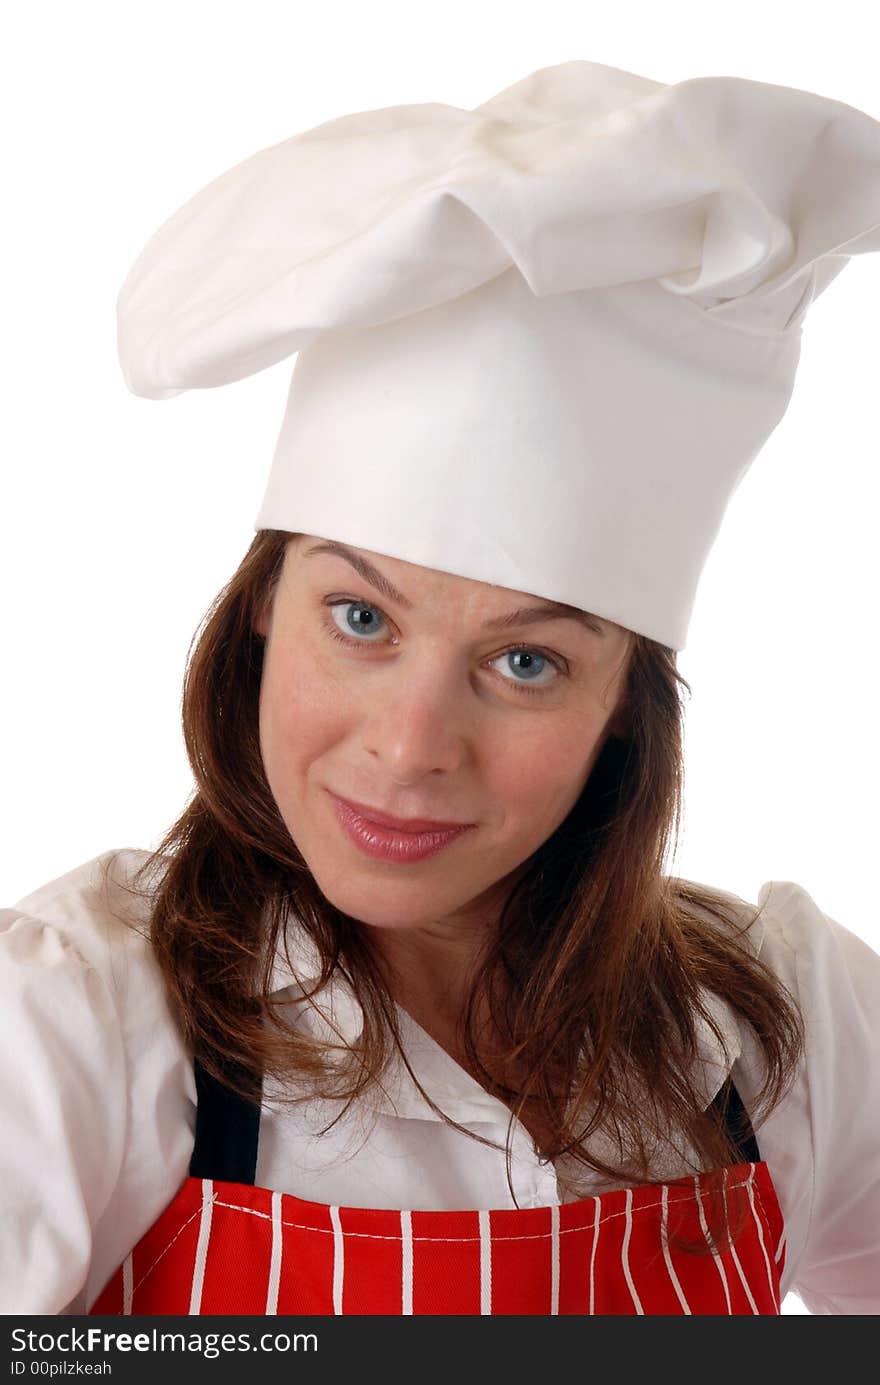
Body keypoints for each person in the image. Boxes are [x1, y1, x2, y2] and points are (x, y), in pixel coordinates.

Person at [2, 58, 880, 1317]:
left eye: (525, 662)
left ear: (624, 707)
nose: (412, 747)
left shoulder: (788, 1025)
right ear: (263, 612)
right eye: (359, 617)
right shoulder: (67, 1026)